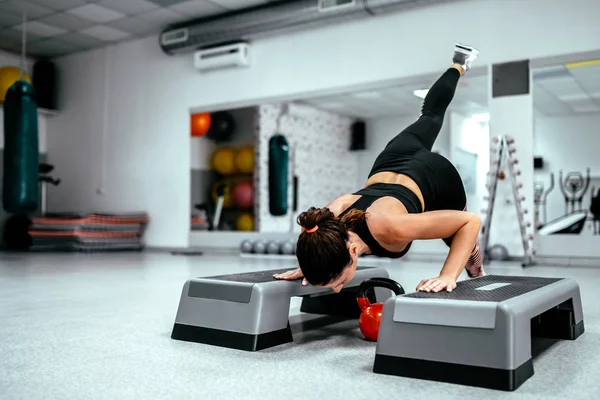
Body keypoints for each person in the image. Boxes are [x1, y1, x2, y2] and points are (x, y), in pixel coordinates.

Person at [274, 43, 484, 294]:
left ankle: (477, 269)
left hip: (436, 176)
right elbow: (308, 230)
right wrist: (308, 264)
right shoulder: (324, 222)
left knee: (462, 244)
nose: (338, 289)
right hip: (394, 158)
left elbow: (470, 222)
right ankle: (458, 63)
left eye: (337, 282)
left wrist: (448, 275)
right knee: (431, 116)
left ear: (352, 251)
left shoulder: (391, 227)